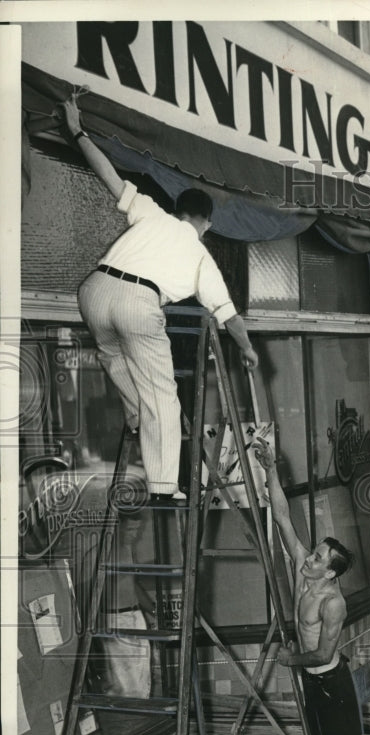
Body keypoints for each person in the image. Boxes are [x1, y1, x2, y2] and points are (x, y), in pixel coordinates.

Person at [61, 96, 259, 504]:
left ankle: (134, 413)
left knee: (115, 357)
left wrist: (77, 129)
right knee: (163, 396)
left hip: (94, 290)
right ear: (207, 222)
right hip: (137, 301)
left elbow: (109, 176)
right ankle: (165, 488)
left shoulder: (152, 213)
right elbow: (229, 317)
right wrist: (249, 351)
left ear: (177, 210)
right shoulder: (201, 255)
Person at [252, 436, 370, 735]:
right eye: (312, 553)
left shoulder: (332, 603)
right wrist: (271, 468)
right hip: (313, 683)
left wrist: (291, 660)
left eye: (318, 559)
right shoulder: (301, 568)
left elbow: (325, 651)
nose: (308, 558)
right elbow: (282, 515)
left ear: (330, 573)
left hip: (332, 683)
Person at [97, 512, 156, 697]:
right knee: (121, 680)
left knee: (142, 673)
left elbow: (133, 583)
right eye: (130, 529)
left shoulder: (128, 548)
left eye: (137, 530)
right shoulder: (103, 551)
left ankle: (143, 715)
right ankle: (128, 719)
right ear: (116, 526)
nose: (135, 535)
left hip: (136, 615)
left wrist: (153, 609)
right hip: (115, 619)